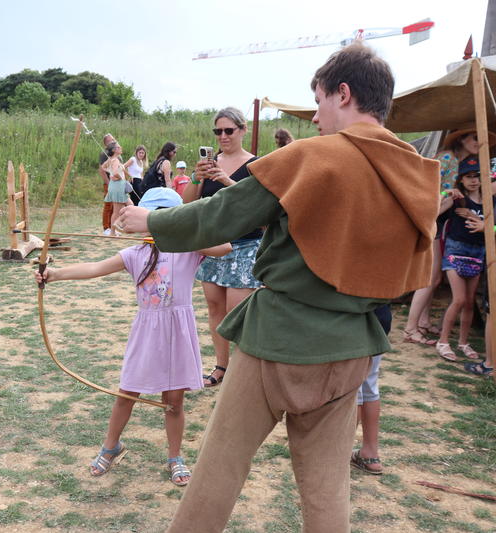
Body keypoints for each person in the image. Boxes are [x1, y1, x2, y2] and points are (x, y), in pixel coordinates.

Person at [116, 42, 439, 532]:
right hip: (354, 344)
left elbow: (222, 215)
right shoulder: (417, 171)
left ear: (344, 93)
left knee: (218, 470)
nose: (315, 119)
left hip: (279, 343)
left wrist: (152, 219)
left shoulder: (315, 155)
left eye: (320, 102)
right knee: (328, 488)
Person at [34, 188, 231, 487]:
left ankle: (175, 457)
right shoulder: (134, 254)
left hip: (178, 334)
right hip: (147, 333)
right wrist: (55, 274)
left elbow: (225, 246)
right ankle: (111, 446)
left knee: (174, 402)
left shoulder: (189, 249)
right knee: (127, 394)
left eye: (166, 217)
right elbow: (94, 268)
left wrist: (178, 229)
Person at [182, 107, 260, 388]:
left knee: (237, 312)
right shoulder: (209, 163)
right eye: (218, 131)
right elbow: (187, 203)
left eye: (229, 130)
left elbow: (255, 207)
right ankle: (221, 367)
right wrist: (197, 176)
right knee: (215, 309)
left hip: (245, 245)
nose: (223, 136)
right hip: (212, 245)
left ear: (242, 130)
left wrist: (226, 180)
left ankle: (243, 372)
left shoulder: (256, 165)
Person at [403, 124, 495, 345]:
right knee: (431, 278)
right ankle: (410, 329)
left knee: (432, 278)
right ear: (461, 139)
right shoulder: (447, 159)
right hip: (433, 219)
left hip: (440, 221)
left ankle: (422, 322)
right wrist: (448, 195)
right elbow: (428, 189)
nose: (477, 141)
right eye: (474, 137)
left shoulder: (459, 163)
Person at [436, 156, 490, 362]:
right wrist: (444, 192)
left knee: (469, 303)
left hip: (477, 254)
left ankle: (463, 342)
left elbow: (493, 227)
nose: (473, 180)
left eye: (476, 176)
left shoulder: (490, 202)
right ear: (461, 180)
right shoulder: (457, 199)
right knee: (458, 300)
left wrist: (476, 218)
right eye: (468, 177)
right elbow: (432, 210)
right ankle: (443, 341)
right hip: (455, 251)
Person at [350, 304, 391, 475]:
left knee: (352, 391)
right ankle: (370, 453)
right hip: (380, 318)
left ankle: (337, 455)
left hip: (354, 319)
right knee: (369, 387)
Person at [102, 142, 132, 236]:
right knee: (116, 211)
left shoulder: (112, 159)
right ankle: (113, 230)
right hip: (117, 185)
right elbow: (115, 172)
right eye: (118, 147)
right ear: (114, 150)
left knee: (130, 205)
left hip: (116, 185)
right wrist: (117, 177)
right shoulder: (115, 160)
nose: (121, 147)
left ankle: (115, 228)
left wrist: (128, 176)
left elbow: (103, 167)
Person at [98, 133, 120, 235]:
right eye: (112, 140)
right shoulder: (104, 154)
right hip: (110, 183)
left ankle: (112, 228)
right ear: (107, 143)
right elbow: (102, 170)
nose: (114, 141)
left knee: (114, 206)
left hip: (118, 183)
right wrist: (108, 183)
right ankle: (106, 228)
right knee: (108, 205)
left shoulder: (116, 153)